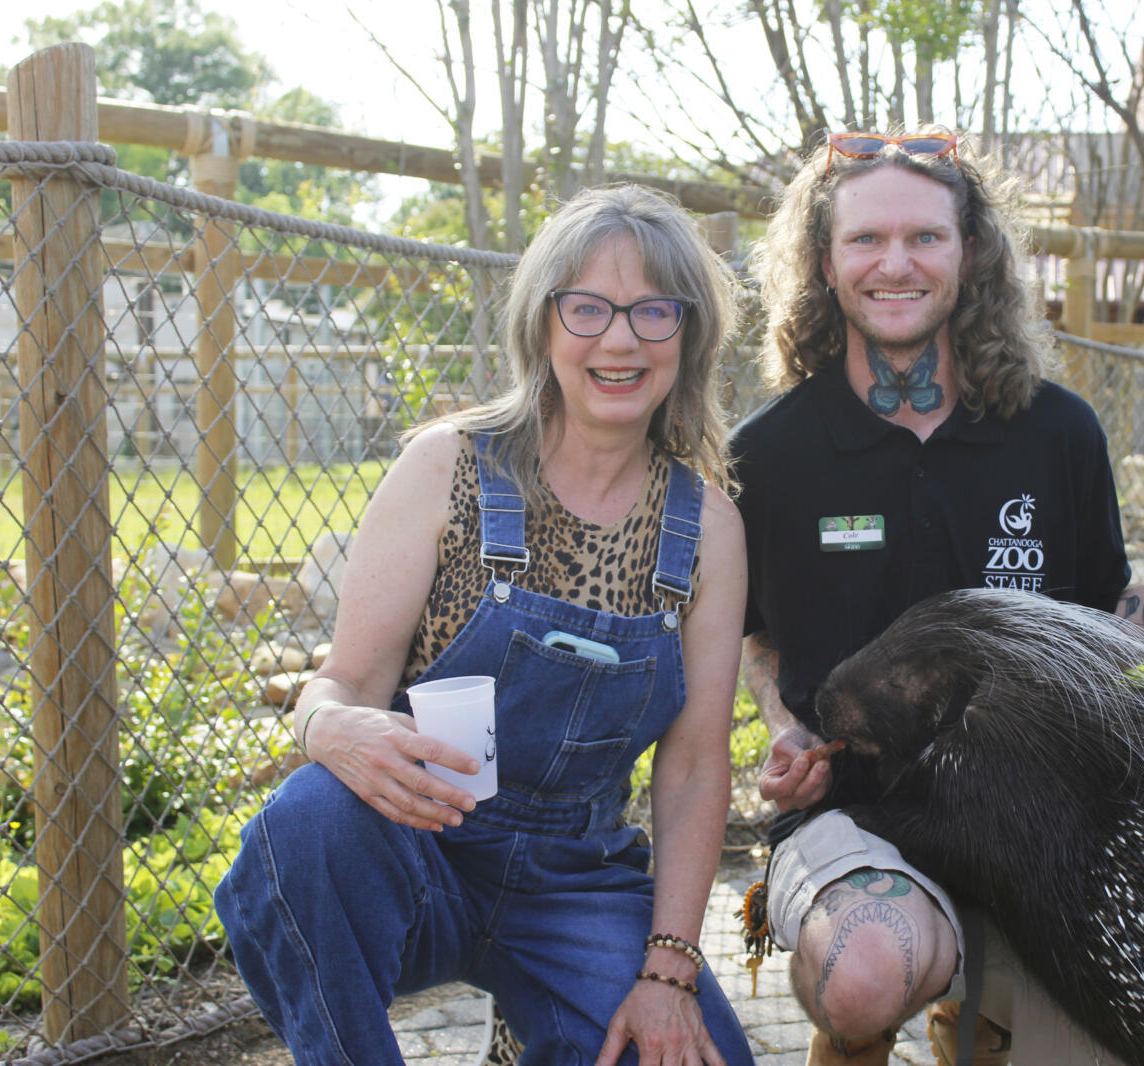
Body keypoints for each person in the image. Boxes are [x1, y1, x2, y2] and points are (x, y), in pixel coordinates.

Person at [728, 130, 1144, 1066]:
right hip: (854, 809)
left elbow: (1102, 635)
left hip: (1040, 812)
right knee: (860, 976)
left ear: (971, 253)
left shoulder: (1056, 432)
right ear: (823, 261)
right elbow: (755, 636)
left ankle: (978, 1022)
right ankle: (869, 1026)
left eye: (925, 237)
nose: (897, 264)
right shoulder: (765, 453)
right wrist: (785, 725)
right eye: (865, 240)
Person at [216, 185, 755, 1066]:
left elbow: (696, 761)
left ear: (689, 337)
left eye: (654, 311)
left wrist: (668, 969)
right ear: (543, 324)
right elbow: (341, 684)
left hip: (576, 880)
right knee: (304, 825)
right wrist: (325, 725)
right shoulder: (448, 466)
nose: (619, 339)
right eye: (587, 307)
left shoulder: (708, 529)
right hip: (413, 844)